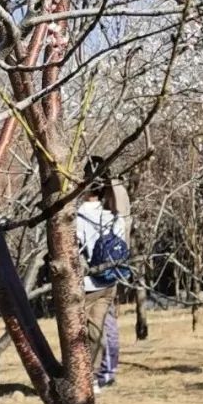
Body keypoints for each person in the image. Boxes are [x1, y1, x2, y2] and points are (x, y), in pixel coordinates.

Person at [76, 164, 130, 390]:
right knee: (99, 329)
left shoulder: (76, 217)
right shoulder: (114, 217)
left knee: (83, 333)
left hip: (88, 283)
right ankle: (100, 374)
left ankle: (86, 376)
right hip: (110, 280)